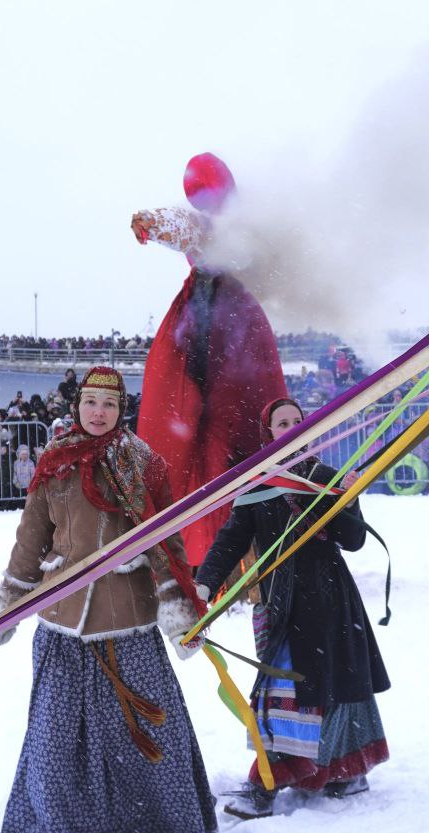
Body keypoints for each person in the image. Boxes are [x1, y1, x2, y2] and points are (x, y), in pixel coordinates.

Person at [0, 366, 217, 833]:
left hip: (130, 627)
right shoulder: (55, 460)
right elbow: (32, 538)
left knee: (150, 741)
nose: (100, 412)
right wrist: (11, 599)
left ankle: (158, 824)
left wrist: (178, 610)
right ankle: (61, 826)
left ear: (121, 410)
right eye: (92, 402)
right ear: (77, 406)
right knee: (56, 744)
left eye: (110, 404)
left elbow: (168, 542)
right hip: (62, 627)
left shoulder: (143, 462)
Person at [194, 397, 389, 819]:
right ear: (269, 434)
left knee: (333, 687)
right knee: (284, 691)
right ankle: (286, 774)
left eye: (297, 421)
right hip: (281, 604)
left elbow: (351, 541)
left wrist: (349, 499)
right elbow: (231, 539)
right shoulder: (257, 484)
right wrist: (206, 582)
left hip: (331, 599)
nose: (291, 428)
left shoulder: (323, 476)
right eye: (282, 423)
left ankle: (330, 772)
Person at [130, 152, 288, 566]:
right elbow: (187, 228)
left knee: (228, 438)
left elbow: (189, 229)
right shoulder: (223, 231)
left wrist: (154, 223)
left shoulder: (237, 228)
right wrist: (154, 223)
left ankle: (232, 551)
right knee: (215, 442)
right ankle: (220, 553)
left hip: (222, 334)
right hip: (212, 331)